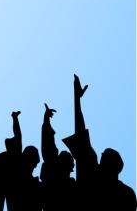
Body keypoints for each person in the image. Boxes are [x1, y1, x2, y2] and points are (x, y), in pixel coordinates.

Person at [63, 74, 136, 211]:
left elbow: (80, 134)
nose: (100, 159)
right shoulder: (126, 192)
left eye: (104, 157)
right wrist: (77, 100)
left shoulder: (93, 176)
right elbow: (80, 133)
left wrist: (77, 99)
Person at [40, 103, 76, 211]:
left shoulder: (71, 185)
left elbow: (48, 144)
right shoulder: (53, 173)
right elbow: (47, 143)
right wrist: (46, 120)